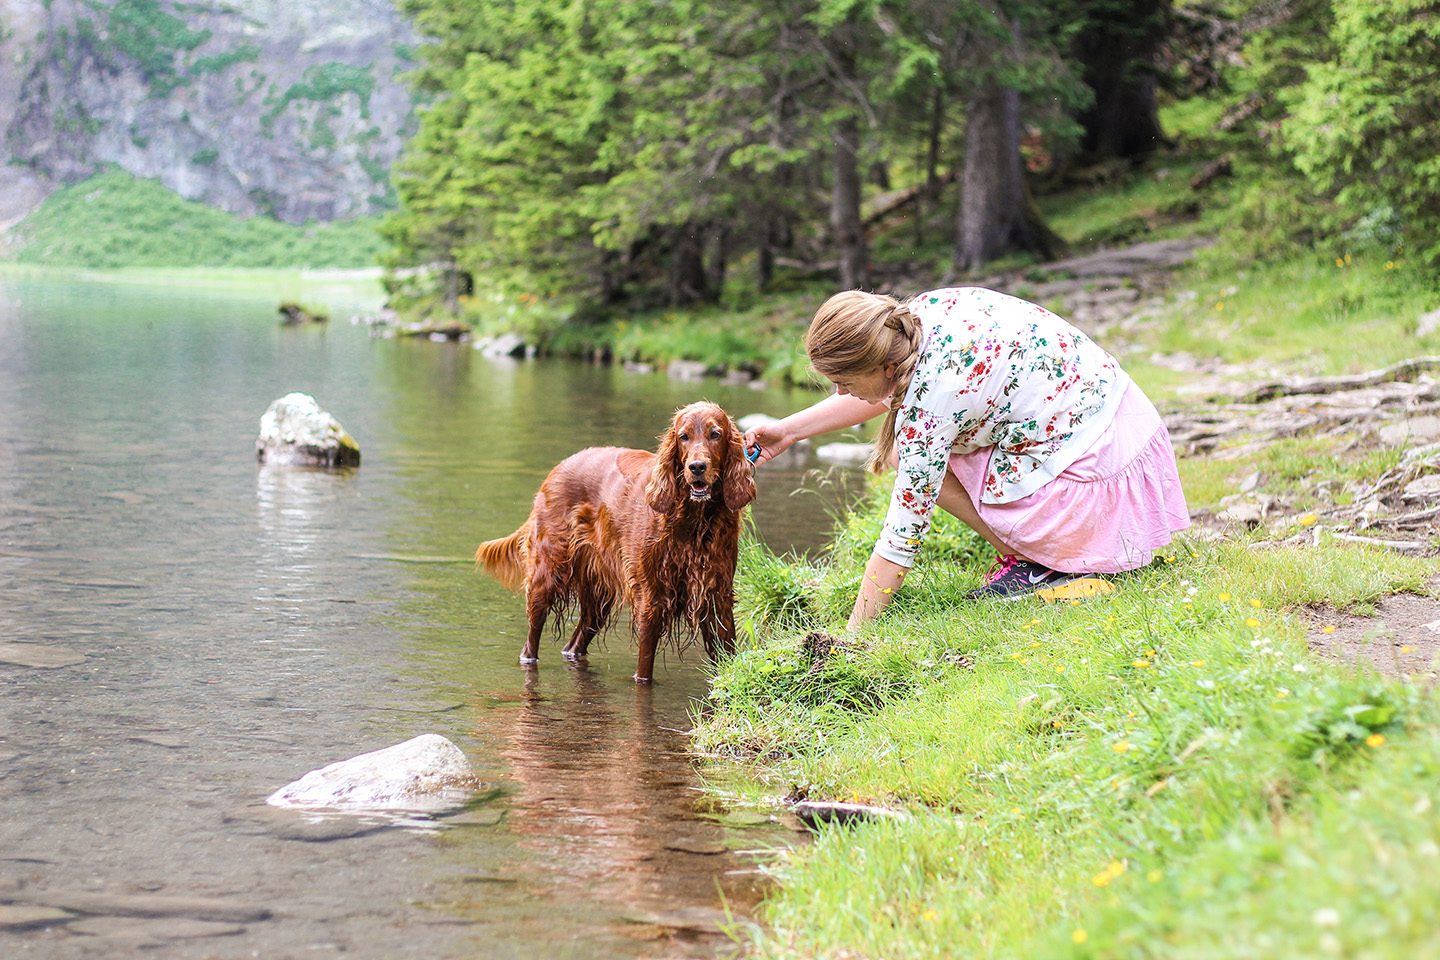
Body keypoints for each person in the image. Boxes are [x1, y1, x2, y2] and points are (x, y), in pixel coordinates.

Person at [743, 287, 1190, 629]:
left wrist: (854, 635)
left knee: (908, 455)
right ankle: (1031, 559)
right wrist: (789, 429)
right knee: (909, 450)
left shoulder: (933, 404)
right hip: (1122, 422)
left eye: (843, 381)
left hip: (1095, 469)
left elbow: (900, 540)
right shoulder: (914, 319)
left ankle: (1043, 566)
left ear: (881, 366)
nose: (840, 392)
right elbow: (882, 393)